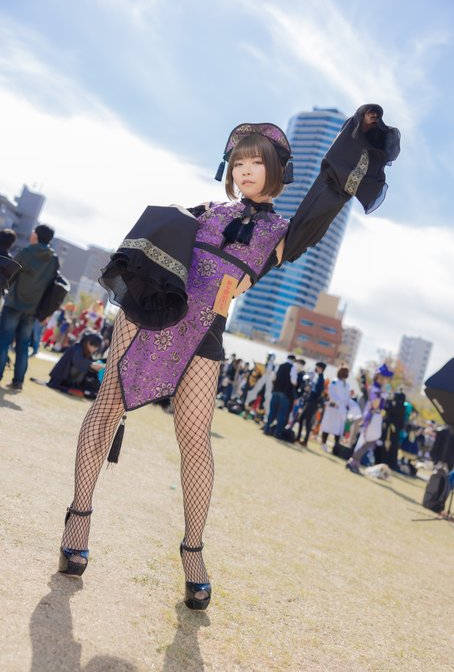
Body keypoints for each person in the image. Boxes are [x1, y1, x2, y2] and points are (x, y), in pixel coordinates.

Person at [59, 109, 400, 611]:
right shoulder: (205, 210)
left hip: (207, 334)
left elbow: (326, 195)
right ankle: (78, 520)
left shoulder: (281, 234)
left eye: (255, 162)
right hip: (152, 314)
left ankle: (193, 552)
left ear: (274, 170)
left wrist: (360, 134)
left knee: (195, 440)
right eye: (238, 162)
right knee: (107, 405)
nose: (244, 170)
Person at [0, 224, 58, 391]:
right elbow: (52, 285)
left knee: (3, 342)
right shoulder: (53, 259)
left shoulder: (26, 252)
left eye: (34, 232)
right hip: (33, 309)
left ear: (36, 236)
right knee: (23, 346)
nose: (31, 233)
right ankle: (18, 381)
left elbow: (10, 274)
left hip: (13, 304)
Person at [346, 364, 394, 473]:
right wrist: (382, 394)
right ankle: (353, 461)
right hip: (371, 417)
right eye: (385, 377)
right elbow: (375, 405)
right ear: (379, 377)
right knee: (366, 440)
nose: (386, 380)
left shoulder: (380, 389)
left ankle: (354, 462)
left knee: (370, 440)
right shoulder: (374, 388)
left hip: (377, 417)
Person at [47, 331, 105, 397]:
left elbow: (90, 361)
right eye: (95, 346)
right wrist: (91, 364)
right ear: (88, 343)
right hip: (61, 379)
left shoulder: (85, 350)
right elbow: (79, 362)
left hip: (68, 380)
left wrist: (96, 364)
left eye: (97, 347)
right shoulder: (78, 348)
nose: (95, 349)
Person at [264, 354, 297, 439]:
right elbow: (293, 381)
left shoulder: (279, 365)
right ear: (293, 360)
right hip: (285, 393)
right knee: (282, 414)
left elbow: (273, 378)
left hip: (275, 391)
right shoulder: (293, 368)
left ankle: (266, 428)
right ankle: (277, 432)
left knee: (272, 411)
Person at [320, 367, 350, 453]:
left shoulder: (347, 384)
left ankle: (336, 448)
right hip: (333, 408)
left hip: (341, 410)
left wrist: (346, 404)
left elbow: (347, 396)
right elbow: (331, 394)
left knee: (338, 430)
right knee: (328, 427)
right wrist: (338, 402)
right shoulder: (335, 382)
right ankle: (323, 443)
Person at [296, 362, 326, 446]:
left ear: (320, 368)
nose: (315, 368)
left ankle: (302, 439)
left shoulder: (321, 379)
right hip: (311, 401)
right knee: (305, 420)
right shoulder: (318, 377)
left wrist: (310, 389)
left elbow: (318, 392)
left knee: (304, 419)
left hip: (313, 402)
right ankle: (302, 439)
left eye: (317, 367)